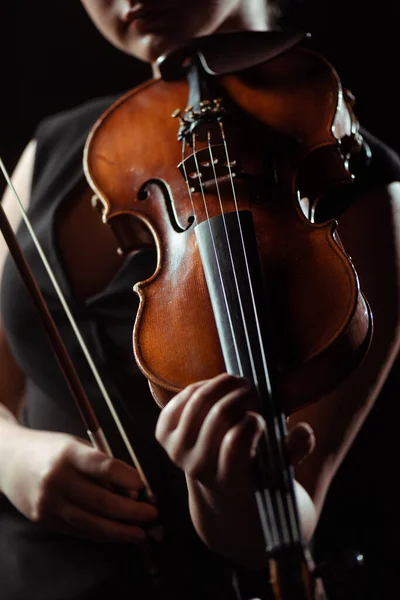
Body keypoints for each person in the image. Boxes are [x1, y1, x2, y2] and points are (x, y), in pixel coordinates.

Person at [0, 1, 399, 599]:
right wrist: (13, 460)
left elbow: (293, 512)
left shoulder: (347, 181)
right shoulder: (58, 149)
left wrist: (223, 490)